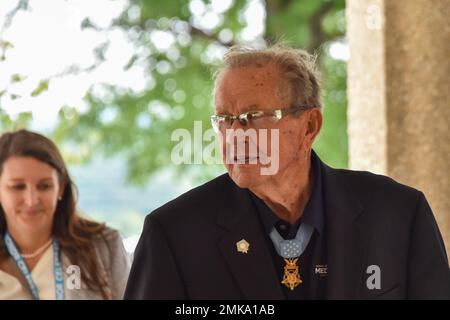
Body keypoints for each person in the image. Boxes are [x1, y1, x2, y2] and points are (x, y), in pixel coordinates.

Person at [124, 45, 450, 299]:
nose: (236, 134)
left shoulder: (399, 213)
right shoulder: (173, 233)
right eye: (224, 119)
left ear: (309, 125)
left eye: (254, 115)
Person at [0, 129, 130, 299]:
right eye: (18, 187)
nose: (31, 200)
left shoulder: (104, 246)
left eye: (44, 186)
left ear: (60, 188)